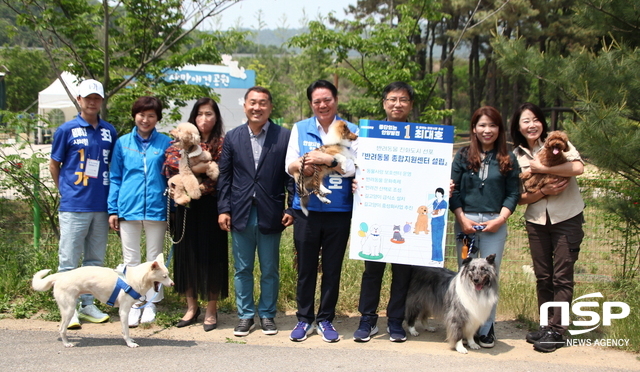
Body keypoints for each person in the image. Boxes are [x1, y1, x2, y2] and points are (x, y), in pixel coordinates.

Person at [286, 79, 358, 343]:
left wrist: (327, 160)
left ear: (336, 100)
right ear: (311, 104)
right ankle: (304, 319)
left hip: (339, 211)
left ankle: (326, 319)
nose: (322, 105)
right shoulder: (300, 128)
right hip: (306, 210)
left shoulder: (350, 130)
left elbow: (352, 168)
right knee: (305, 268)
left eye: (327, 99)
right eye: (317, 101)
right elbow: (289, 164)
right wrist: (302, 164)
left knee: (332, 268)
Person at [217, 87, 293, 337]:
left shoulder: (284, 136)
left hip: (271, 211)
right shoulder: (233, 137)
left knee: (270, 267)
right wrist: (223, 209)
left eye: (262, 103)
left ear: (270, 107)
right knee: (242, 268)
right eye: (252, 103)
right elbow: (225, 177)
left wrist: (291, 206)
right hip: (240, 212)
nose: (257, 108)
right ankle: (245, 315)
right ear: (245, 106)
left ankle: (268, 315)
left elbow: (291, 176)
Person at [510, 103, 585, 353]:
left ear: (542, 122)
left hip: (567, 218)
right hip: (537, 222)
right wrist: (543, 190)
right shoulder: (516, 155)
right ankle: (545, 325)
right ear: (518, 127)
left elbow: (577, 168)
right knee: (543, 276)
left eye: (535, 120)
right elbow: (519, 198)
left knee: (562, 276)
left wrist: (543, 168)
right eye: (525, 121)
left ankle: (557, 330)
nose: (531, 125)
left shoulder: (556, 142)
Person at [48, 79, 117, 328]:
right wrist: (64, 190)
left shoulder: (109, 131)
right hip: (74, 205)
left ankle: (88, 304)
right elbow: (54, 164)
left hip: (101, 205)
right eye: (87, 97)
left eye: (96, 98)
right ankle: (69, 309)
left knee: (95, 262)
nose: (92, 102)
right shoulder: (66, 130)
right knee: (68, 261)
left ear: (101, 101)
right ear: (79, 99)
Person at [449, 106, 520, 348]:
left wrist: (500, 219)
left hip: (495, 223)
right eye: (482, 125)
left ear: (499, 129)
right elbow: (453, 190)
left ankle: (486, 329)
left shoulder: (508, 158)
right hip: (466, 222)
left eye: (492, 125)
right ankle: (464, 327)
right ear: (474, 128)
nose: (487, 130)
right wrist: (461, 217)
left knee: (489, 276)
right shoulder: (462, 155)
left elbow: (513, 193)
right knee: (466, 276)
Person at [352, 82, 413, 343]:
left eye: (403, 100)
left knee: (403, 274)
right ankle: (367, 319)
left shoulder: (419, 135)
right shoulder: (369, 134)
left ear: (410, 105)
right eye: (392, 99)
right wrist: (356, 180)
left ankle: (396, 321)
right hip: (376, 211)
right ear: (384, 103)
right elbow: (353, 165)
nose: (397, 104)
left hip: (406, 214)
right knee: (372, 270)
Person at [163, 98, 228, 332]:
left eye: (209, 114)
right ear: (193, 117)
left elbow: (221, 173)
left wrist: (198, 186)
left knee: (212, 257)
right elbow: (170, 165)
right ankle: (191, 307)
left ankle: (211, 309)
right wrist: (194, 170)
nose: (204, 119)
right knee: (186, 255)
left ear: (216, 117)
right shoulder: (181, 138)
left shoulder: (222, 143)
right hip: (185, 208)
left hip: (211, 207)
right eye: (199, 114)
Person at [107, 96, 172, 327]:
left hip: (156, 207)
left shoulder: (165, 143)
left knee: (155, 261)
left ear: (157, 118)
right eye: (141, 114)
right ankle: (134, 303)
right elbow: (115, 177)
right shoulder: (122, 142)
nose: (145, 119)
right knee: (131, 260)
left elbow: (172, 176)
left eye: (151, 115)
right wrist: (112, 209)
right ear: (134, 115)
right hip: (128, 208)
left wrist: (173, 206)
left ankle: (151, 303)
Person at [429, 187, 447, 263]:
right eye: (436, 193)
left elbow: (442, 213)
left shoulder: (444, 203)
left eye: (439, 193)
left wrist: (434, 214)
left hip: (440, 223)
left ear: (442, 194)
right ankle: (433, 258)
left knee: (438, 241)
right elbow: (433, 211)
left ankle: (439, 259)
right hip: (434, 223)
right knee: (433, 242)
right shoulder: (434, 202)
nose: (437, 194)